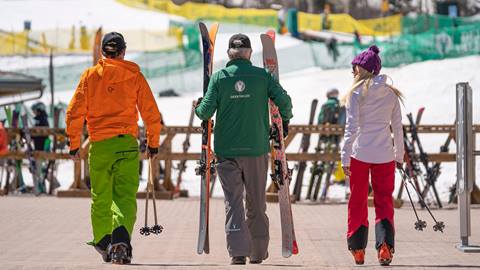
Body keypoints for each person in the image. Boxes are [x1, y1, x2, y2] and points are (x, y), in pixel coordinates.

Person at [195, 34, 293, 265]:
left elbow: (205, 112)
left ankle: (238, 253)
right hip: (256, 149)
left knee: (233, 202)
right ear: (249, 53)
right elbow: (285, 102)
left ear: (229, 53)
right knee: (257, 203)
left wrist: (198, 108)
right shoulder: (262, 77)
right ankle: (258, 252)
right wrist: (284, 121)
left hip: (226, 151)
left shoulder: (219, 78)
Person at [66, 32, 162, 265]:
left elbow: (74, 113)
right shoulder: (134, 76)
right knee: (125, 197)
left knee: (101, 197)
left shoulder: (89, 76)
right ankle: (121, 242)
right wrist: (153, 143)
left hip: (99, 145)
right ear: (123, 52)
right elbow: (151, 113)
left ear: (103, 53)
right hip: (126, 145)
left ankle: (103, 241)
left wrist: (74, 144)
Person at [340, 45, 404, 266]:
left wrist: (344, 157)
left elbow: (352, 128)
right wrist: (399, 155)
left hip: (360, 154)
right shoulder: (391, 94)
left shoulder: (356, 93)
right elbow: (397, 127)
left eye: (355, 69)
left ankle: (358, 249)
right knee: (384, 199)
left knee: (357, 200)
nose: (353, 73)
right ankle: (385, 247)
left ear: (363, 69)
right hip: (385, 154)